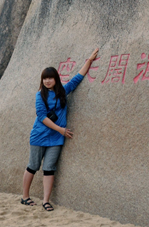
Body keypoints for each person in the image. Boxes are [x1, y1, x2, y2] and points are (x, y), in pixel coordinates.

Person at [20, 48, 99, 211]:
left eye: (50, 78)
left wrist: (89, 60)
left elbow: (78, 78)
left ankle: (46, 201)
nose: (47, 81)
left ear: (56, 79)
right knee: (33, 166)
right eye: (45, 78)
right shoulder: (39, 95)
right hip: (39, 136)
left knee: (49, 168)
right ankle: (25, 197)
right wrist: (61, 130)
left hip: (55, 139)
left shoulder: (63, 91)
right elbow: (42, 116)